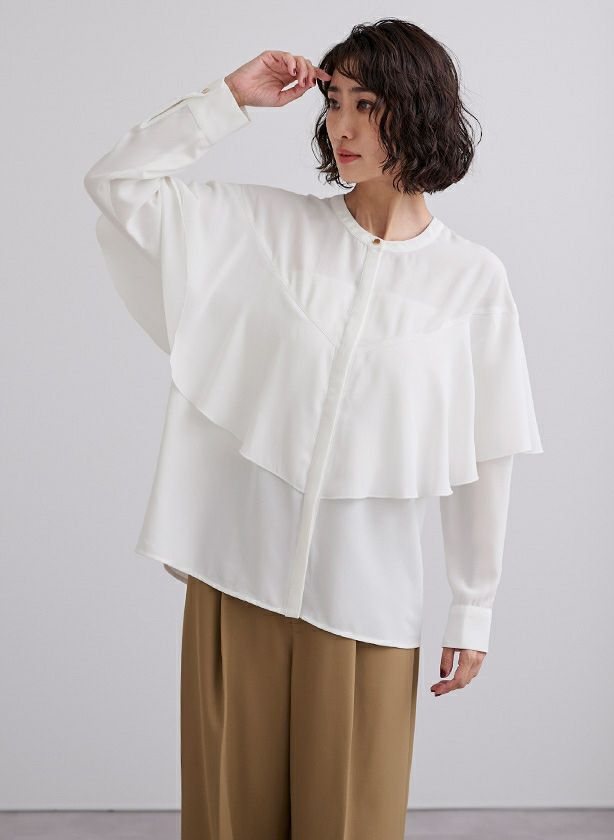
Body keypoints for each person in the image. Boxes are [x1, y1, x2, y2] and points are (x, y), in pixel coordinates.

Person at [83, 17, 543, 840]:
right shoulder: (266, 230)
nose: (343, 126)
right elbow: (117, 186)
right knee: (229, 824)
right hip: (238, 585)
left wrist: (472, 608)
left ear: (420, 111)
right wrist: (229, 100)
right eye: (335, 102)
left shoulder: (472, 282)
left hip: (367, 607)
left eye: (369, 104)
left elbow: (488, 455)